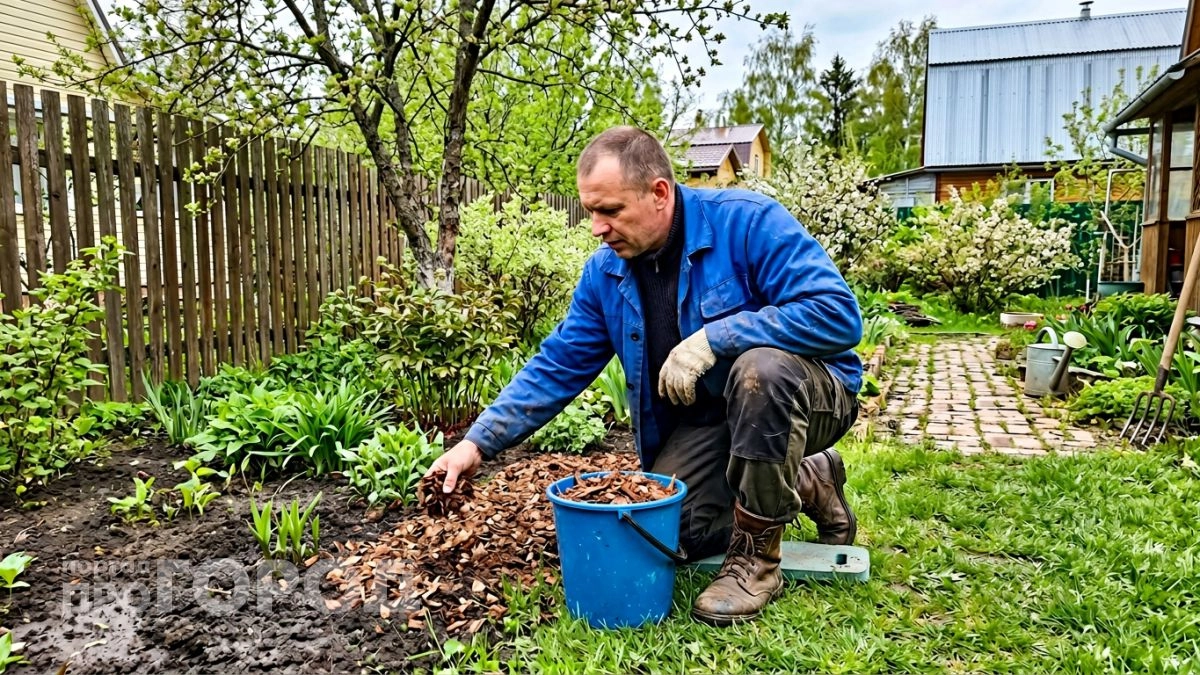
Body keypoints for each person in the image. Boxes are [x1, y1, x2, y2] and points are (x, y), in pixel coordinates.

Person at [426, 126, 863, 626]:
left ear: (659, 193)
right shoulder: (605, 274)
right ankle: (807, 478)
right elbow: (557, 364)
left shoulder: (747, 223)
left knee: (758, 371)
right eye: (591, 210)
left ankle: (756, 562)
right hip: (713, 419)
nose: (596, 227)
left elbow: (837, 314)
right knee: (669, 534)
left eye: (610, 210)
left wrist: (715, 339)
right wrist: (476, 443)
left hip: (808, 395)